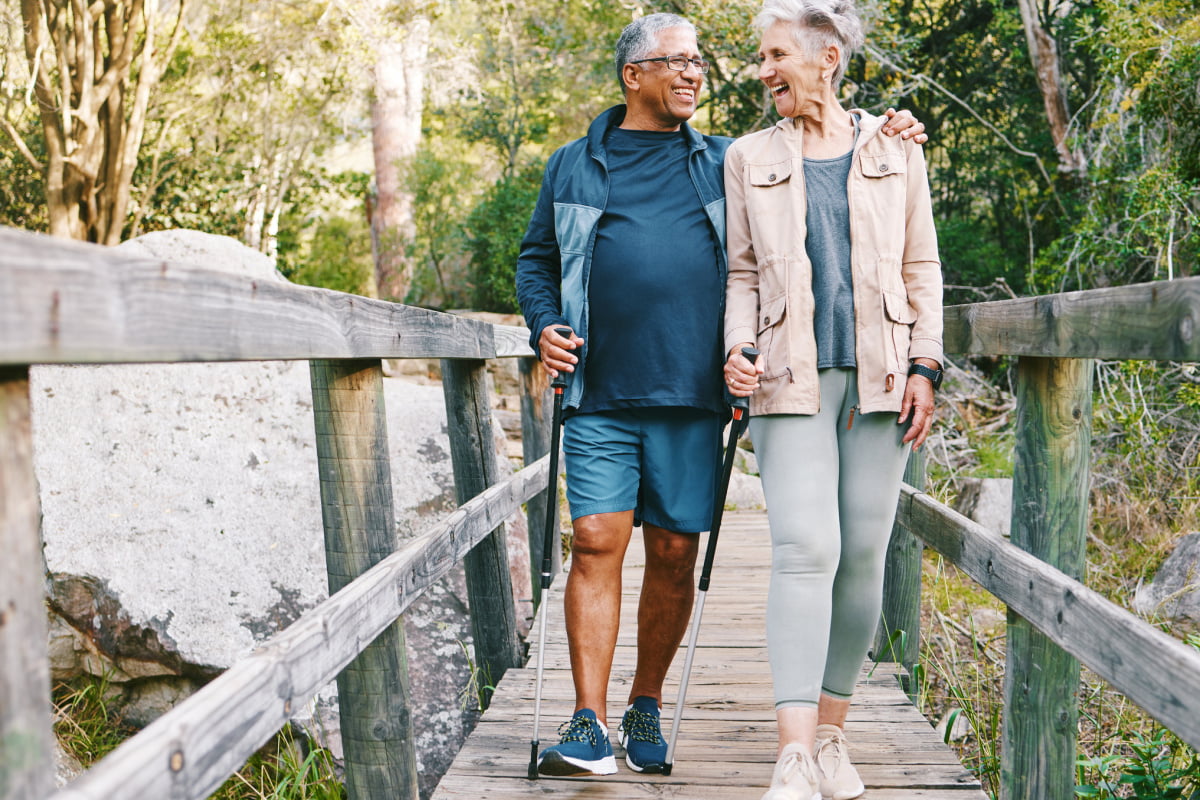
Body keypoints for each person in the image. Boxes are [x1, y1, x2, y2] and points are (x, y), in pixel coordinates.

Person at [516, 11, 927, 779]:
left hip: (693, 395)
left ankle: (645, 703)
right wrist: (543, 324)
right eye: (675, 61)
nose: (695, 73)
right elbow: (536, 260)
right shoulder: (572, 165)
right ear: (632, 75)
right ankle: (587, 724)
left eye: (700, 60)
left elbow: (786, 218)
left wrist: (891, 129)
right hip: (599, 389)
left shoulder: (724, 161)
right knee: (596, 542)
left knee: (674, 553)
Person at [721, 0, 943, 797]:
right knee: (804, 548)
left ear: (827, 59)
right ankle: (792, 750)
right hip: (788, 375)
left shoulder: (896, 147)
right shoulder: (747, 156)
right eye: (762, 57)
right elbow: (743, 272)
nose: (764, 70)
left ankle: (834, 738)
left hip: (884, 376)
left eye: (776, 54)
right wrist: (734, 349)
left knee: (860, 559)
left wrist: (928, 364)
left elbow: (922, 267)